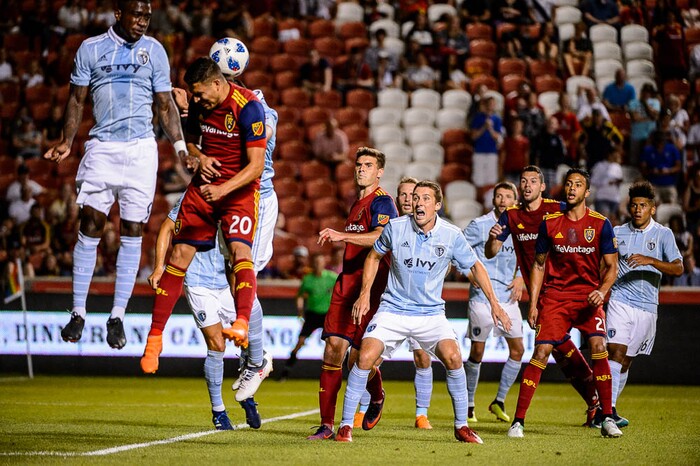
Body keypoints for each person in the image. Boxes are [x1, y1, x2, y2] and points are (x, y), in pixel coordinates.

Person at [43, 0, 192, 350]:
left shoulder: (154, 51)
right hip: (103, 147)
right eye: (136, 15)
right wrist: (67, 140)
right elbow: (77, 99)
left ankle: (117, 317)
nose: (142, 22)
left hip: (141, 149)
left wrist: (181, 146)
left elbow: (165, 105)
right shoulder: (91, 49)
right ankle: (78, 312)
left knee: (133, 228)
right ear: (119, 14)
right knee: (91, 223)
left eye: (147, 17)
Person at [334, 180, 512, 443]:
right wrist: (364, 295)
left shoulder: (451, 235)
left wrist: (495, 304)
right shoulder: (395, 227)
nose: (418, 203)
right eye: (416, 198)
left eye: (426, 199)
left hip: (430, 314)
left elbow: (475, 267)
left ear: (438, 205)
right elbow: (373, 257)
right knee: (364, 357)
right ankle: (346, 426)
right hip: (393, 309)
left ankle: (461, 426)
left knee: (453, 357)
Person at [156, 40, 280, 402]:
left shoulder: (253, 103)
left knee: (243, 272)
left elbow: (264, 135)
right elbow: (195, 138)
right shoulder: (205, 106)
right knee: (233, 275)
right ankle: (252, 354)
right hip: (225, 194)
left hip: (255, 193)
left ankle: (256, 359)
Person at [139, 57, 266, 373]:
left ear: (218, 83)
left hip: (237, 191)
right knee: (180, 252)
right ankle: (154, 338)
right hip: (204, 187)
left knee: (240, 252)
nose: (195, 100)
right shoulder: (199, 103)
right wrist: (201, 156)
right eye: (192, 95)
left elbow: (256, 166)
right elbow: (192, 143)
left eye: (198, 94)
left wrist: (224, 190)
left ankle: (240, 323)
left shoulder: (248, 108)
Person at [507, 168, 622, 439]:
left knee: (597, 345)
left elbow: (612, 266)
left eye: (578, 185)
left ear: (587, 192)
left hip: (588, 296)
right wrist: (534, 304)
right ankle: (518, 422)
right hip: (556, 297)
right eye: (569, 184)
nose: (571, 189)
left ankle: (607, 417)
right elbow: (538, 265)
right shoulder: (550, 223)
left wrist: (602, 290)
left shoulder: (600, 223)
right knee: (541, 352)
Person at [485, 165, 601, 425]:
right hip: (542, 294)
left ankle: (597, 403)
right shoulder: (511, 215)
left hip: (565, 289)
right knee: (560, 349)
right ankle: (595, 403)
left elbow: (583, 222)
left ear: (542, 186)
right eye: (523, 181)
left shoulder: (556, 208)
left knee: (553, 349)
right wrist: (493, 238)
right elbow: (491, 251)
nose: (527, 185)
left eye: (533, 181)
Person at [148, 194, 267, 430]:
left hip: (225, 283)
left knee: (245, 341)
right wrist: (159, 267)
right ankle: (219, 412)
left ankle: (247, 394)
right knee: (217, 345)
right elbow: (167, 228)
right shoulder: (192, 196)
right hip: (198, 283)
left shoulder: (233, 196)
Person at [307, 147, 399, 441]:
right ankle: (326, 425)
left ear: (379, 171)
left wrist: (341, 235)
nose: (361, 169)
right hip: (346, 283)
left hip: (370, 287)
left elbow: (383, 238)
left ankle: (377, 395)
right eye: (359, 164)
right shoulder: (356, 202)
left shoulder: (383, 202)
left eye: (368, 165)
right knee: (333, 347)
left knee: (358, 360)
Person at [605, 181, 683, 426]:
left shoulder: (663, 234)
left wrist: (651, 260)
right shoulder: (618, 232)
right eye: (634, 205)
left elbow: (678, 268)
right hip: (619, 299)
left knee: (626, 360)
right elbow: (605, 265)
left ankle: (606, 408)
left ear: (652, 208)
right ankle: (608, 412)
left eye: (643, 205)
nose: (637, 209)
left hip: (647, 306)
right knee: (615, 353)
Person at [463, 181, 524, 424]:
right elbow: (457, 250)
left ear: (515, 201)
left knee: (518, 350)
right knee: (477, 351)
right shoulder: (479, 225)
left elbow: (529, 256)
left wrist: (521, 277)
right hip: (482, 298)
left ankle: (498, 401)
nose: (502, 200)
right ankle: (468, 404)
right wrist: (468, 274)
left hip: (508, 297)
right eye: (498, 196)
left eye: (508, 196)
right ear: (493, 200)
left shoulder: (520, 227)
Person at [279, 253, 338, 379]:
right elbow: (300, 295)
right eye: (316, 262)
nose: (318, 265)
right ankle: (285, 371)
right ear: (313, 264)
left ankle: (333, 373)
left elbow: (342, 291)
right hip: (312, 314)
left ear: (324, 264)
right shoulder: (308, 279)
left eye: (320, 262)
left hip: (327, 315)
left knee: (332, 344)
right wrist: (300, 310)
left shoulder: (332, 277)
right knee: (300, 342)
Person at [470, 96, 504, 188]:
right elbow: (473, 136)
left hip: (492, 152)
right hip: (479, 152)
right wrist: (484, 127)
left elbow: (498, 137)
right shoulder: (478, 118)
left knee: (491, 179)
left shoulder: (497, 119)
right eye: (489, 104)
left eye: (493, 104)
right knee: (478, 179)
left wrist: (491, 129)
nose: (491, 106)